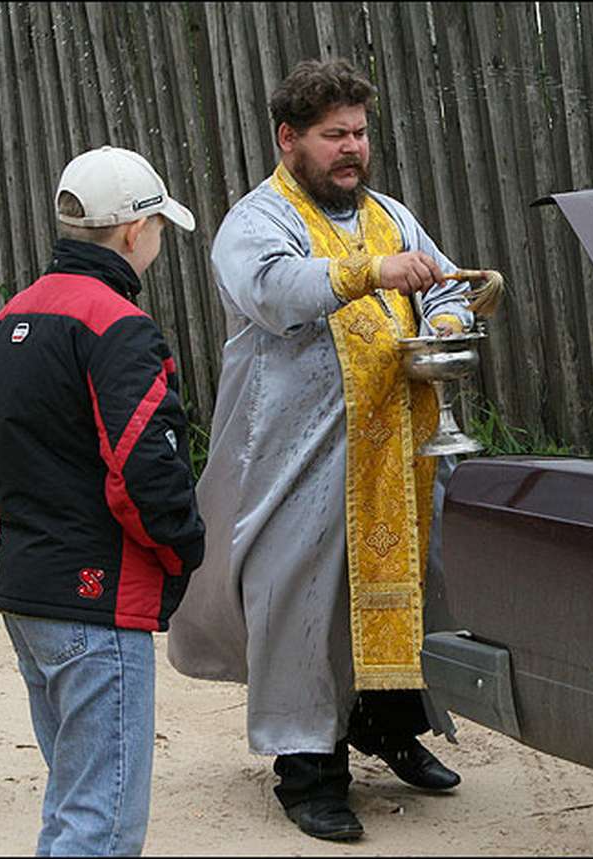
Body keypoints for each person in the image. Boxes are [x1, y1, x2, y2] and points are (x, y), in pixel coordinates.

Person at [167, 58, 475, 842]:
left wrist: (444, 319)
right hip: (295, 459)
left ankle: (388, 724)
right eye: (334, 135)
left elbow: (444, 282)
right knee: (301, 603)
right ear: (289, 138)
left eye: (360, 133)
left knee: (410, 583)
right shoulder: (256, 221)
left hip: (394, 449)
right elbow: (275, 291)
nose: (352, 149)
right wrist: (372, 272)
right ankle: (307, 770)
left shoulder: (391, 215)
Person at [0, 145, 206, 856]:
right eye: (157, 227)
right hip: (97, 595)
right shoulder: (120, 325)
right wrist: (183, 550)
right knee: (101, 823)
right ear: (134, 231)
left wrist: (39, 508)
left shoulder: (10, 317)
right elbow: (146, 473)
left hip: (29, 587)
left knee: (71, 805)